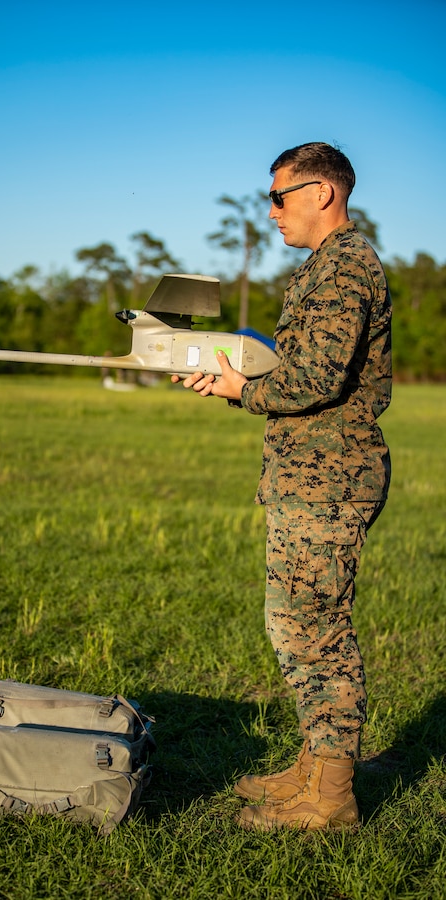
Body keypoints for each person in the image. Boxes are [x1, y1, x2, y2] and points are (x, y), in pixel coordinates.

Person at [174, 142, 392, 830]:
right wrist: (237, 390)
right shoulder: (325, 267)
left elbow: (317, 378)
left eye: (278, 196)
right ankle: (312, 768)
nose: (270, 212)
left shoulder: (345, 267)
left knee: (313, 631)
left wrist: (247, 387)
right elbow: (298, 376)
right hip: (308, 471)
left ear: (322, 192)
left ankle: (330, 798)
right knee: (297, 623)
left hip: (329, 477)